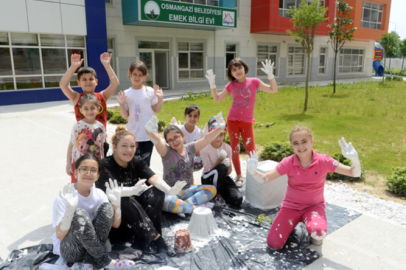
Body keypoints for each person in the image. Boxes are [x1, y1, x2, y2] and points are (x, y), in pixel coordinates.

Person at [246, 126, 362, 250]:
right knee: (273, 244)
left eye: (304, 141)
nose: (300, 147)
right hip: (290, 207)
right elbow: (265, 178)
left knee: (318, 234)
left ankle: (313, 230)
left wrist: (354, 159)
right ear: (292, 145)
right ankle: (289, 225)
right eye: (296, 143)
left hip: (314, 207)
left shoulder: (324, 161)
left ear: (312, 141)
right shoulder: (288, 162)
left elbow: (354, 173)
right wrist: (253, 172)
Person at [97, 126, 184, 257]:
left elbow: (153, 177)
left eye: (132, 146)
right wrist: (132, 190)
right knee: (123, 198)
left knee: (157, 192)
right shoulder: (104, 165)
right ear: (114, 147)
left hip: (138, 220)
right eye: (124, 146)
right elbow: (112, 193)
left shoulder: (135, 161)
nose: (129, 150)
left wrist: (169, 189)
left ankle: (144, 239)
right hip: (117, 221)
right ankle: (158, 240)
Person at [53, 154, 136, 269]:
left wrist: (116, 204)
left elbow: (116, 224)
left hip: (92, 250)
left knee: (107, 208)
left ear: (97, 176)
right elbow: (60, 235)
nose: (88, 173)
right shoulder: (64, 196)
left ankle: (87, 264)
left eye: (93, 170)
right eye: (84, 169)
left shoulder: (99, 194)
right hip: (71, 250)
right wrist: (70, 210)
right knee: (79, 214)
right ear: (76, 173)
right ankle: (106, 262)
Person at [206, 58, 278, 187]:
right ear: (231, 74)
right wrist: (212, 85)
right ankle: (239, 176)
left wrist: (270, 76)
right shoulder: (231, 85)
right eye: (234, 69)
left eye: (239, 67)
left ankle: (256, 173)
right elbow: (217, 99)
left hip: (246, 122)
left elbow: (273, 90)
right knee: (235, 149)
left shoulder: (254, 82)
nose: (238, 71)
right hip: (232, 121)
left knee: (251, 150)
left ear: (244, 68)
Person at [144, 113, 227, 217]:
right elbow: (158, 142)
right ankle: (194, 208)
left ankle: (183, 206)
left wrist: (220, 128)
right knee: (166, 202)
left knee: (212, 189)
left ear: (182, 136)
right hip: (171, 193)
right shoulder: (167, 152)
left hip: (187, 191)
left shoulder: (190, 148)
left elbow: (206, 139)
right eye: (170, 140)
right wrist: (149, 132)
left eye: (176, 137)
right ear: (168, 143)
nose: (174, 141)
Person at [59, 53, 119, 156]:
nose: (88, 82)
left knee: (101, 169)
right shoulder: (76, 97)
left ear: (96, 81)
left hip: (100, 141)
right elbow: (63, 85)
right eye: (84, 79)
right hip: (84, 142)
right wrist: (73, 67)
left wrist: (107, 65)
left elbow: (115, 84)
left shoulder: (102, 96)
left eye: (91, 79)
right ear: (79, 83)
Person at [116, 61, 164, 167]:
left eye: (140, 75)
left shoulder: (150, 91)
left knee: (145, 163)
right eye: (134, 74)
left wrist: (160, 99)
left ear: (145, 76)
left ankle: (146, 182)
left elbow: (156, 109)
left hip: (148, 135)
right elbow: (125, 115)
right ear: (129, 73)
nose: (137, 77)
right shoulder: (126, 94)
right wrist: (122, 105)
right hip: (134, 135)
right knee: (133, 163)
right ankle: (135, 182)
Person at [200, 117, 243, 206]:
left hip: (223, 179)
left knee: (237, 199)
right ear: (210, 134)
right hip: (208, 179)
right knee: (222, 167)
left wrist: (229, 165)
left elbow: (228, 172)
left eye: (221, 134)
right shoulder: (205, 148)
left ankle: (221, 194)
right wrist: (219, 160)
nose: (218, 138)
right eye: (216, 134)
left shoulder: (227, 148)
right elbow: (208, 170)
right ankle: (215, 195)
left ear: (224, 135)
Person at [66, 94, 106, 183]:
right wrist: (68, 163)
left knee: (92, 187)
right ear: (81, 110)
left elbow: (101, 145)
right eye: (86, 108)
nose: (89, 111)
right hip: (79, 164)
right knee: (77, 187)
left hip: (95, 165)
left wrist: (102, 161)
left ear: (98, 108)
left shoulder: (101, 126)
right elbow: (71, 145)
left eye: (92, 108)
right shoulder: (78, 126)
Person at [171, 104, 207, 171]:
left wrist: (203, 140)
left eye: (195, 116)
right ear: (185, 117)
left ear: (198, 118)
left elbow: (198, 154)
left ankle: (189, 175)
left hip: (190, 160)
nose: (192, 119)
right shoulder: (180, 129)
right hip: (178, 158)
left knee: (200, 160)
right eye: (190, 116)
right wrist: (174, 133)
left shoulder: (199, 133)